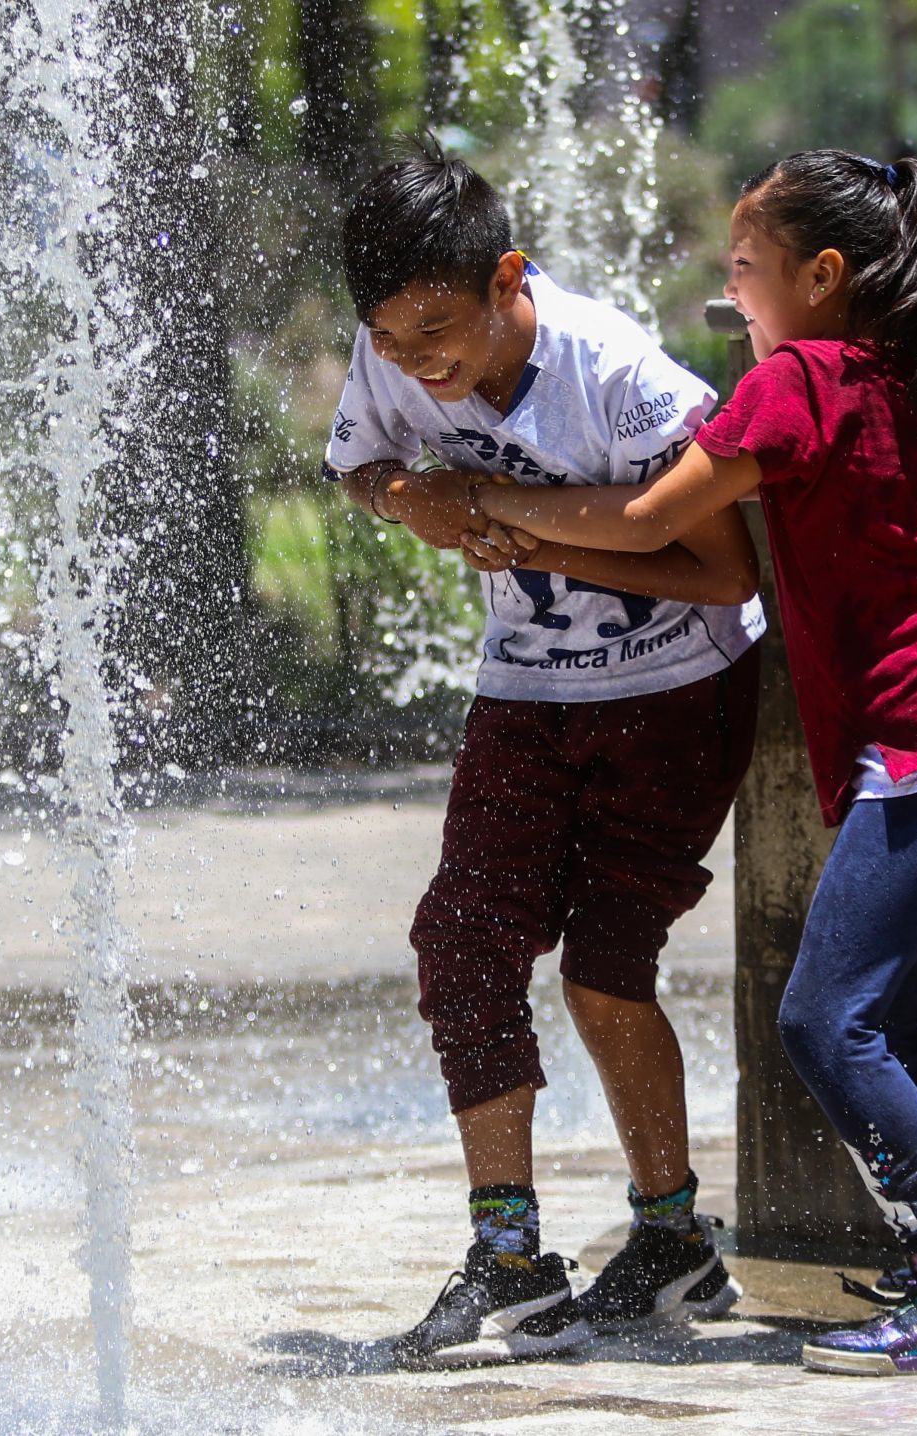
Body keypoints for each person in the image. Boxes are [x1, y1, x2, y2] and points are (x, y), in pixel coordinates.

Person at [474, 149, 917, 1376]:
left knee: (825, 1017)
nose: (732, 293)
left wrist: (501, 506)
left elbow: (651, 516)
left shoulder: (798, 379)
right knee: (893, 1011)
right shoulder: (915, 367)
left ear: (823, 273)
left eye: (746, 271)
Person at [322, 135, 767, 1364]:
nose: (419, 367)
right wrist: (413, 499)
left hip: (678, 691)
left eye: (438, 333)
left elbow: (726, 571)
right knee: (461, 936)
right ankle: (509, 1256)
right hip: (527, 689)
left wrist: (517, 524)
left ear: (509, 277)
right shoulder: (390, 350)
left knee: (604, 970)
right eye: (392, 340)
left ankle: (674, 1240)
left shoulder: (617, 376)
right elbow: (360, 466)